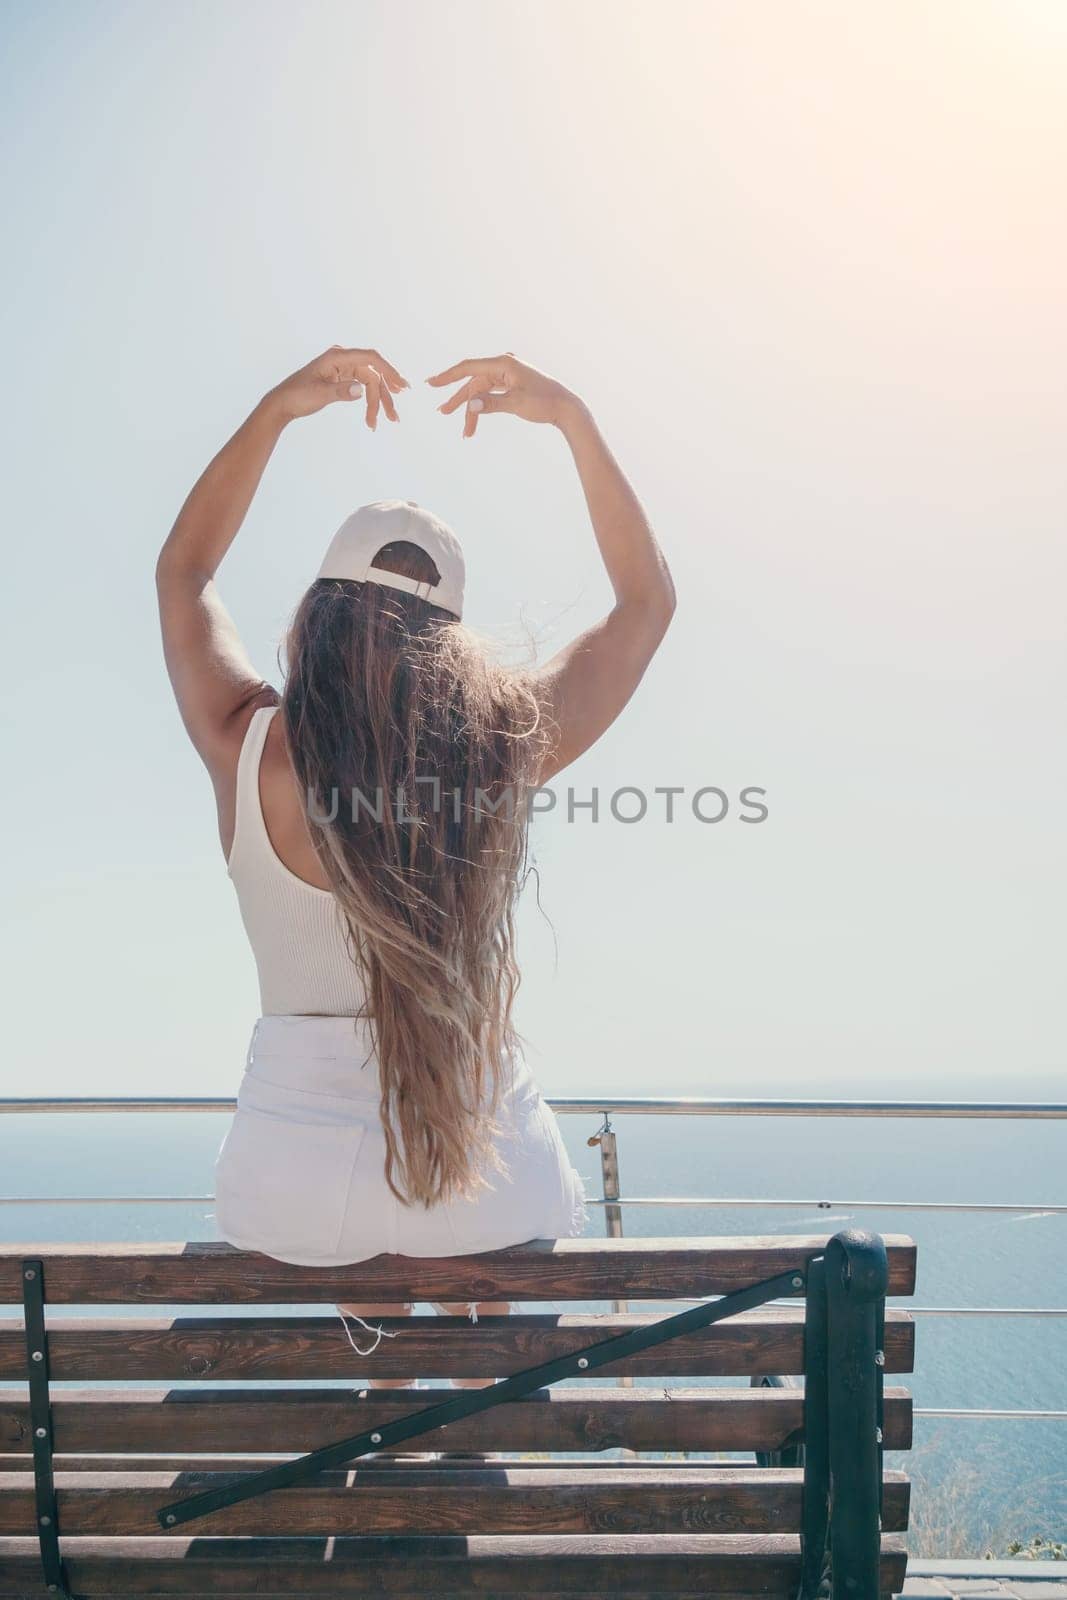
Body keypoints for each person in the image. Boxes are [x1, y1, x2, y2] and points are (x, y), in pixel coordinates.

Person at [156, 344, 675, 1398]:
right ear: (448, 638)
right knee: (486, 1204)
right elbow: (641, 607)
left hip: (290, 1191)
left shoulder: (246, 744)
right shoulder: (500, 743)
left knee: (362, 1220)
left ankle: (383, 1378)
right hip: (478, 1177)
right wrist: (570, 415)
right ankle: (435, 1414)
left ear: (317, 613)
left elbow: (185, 573)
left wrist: (276, 410)